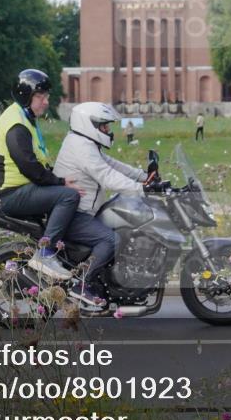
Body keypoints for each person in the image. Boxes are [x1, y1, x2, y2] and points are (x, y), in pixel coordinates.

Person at [53, 102, 155, 307]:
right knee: (112, 240)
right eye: (104, 126)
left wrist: (144, 177)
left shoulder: (84, 143)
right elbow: (107, 176)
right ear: (89, 124)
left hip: (84, 210)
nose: (108, 131)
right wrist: (141, 189)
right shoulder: (81, 146)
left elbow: (111, 164)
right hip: (75, 214)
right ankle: (82, 283)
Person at [0, 69, 83, 281]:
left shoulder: (24, 117)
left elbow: (38, 163)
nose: (46, 101)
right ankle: (46, 253)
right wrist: (60, 182)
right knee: (68, 196)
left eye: (46, 97)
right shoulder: (17, 125)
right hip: (10, 194)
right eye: (40, 97)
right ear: (25, 96)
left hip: (21, 189)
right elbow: (28, 166)